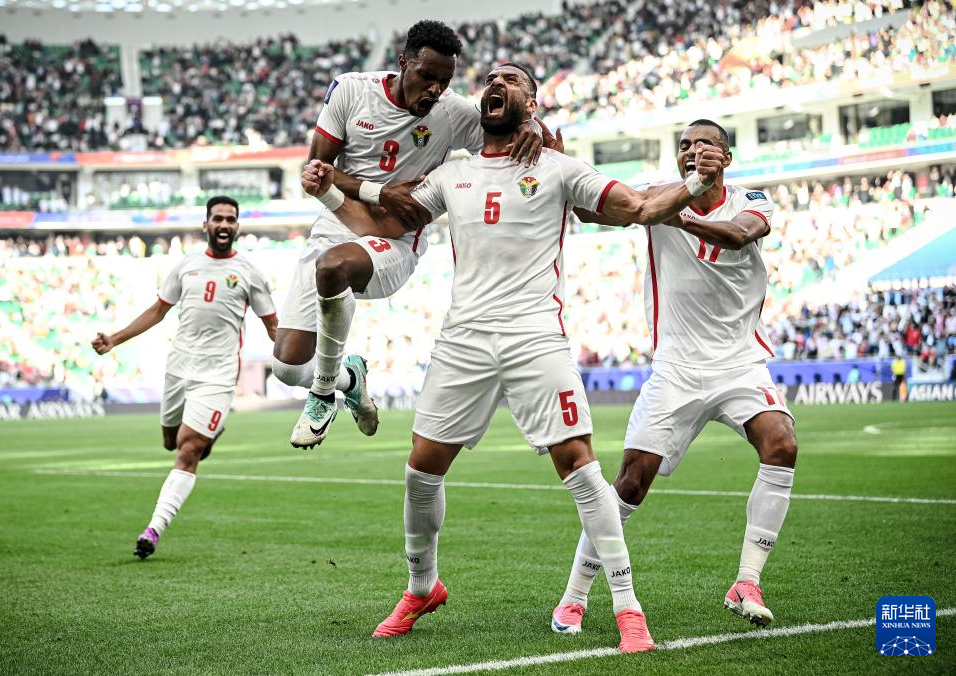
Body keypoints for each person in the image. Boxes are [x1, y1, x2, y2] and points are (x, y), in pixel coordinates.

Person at [301, 63, 725, 652]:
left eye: (513, 80)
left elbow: (637, 208)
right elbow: (384, 224)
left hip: (533, 336)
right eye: (491, 80)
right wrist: (329, 189)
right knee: (421, 471)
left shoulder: (558, 167)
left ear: (532, 102)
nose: (496, 84)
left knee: (580, 465)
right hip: (464, 338)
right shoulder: (453, 172)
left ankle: (628, 606)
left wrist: (699, 185)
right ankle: (422, 587)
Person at [553, 120, 799, 633]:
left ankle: (747, 581)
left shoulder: (752, 200)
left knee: (782, 443)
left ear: (725, 157)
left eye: (704, 143)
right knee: (630, 482)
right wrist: (564, 168)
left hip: (739, 363)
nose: (692, 150)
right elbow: (588, 210)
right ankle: (574, 597)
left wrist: (674, 213)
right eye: (684, 145)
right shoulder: (655, 196)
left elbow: (739, 236)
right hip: (676, 369)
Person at [274, 20, 543, 449]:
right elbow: (318, 170)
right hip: (336, 222)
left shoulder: (451, 113)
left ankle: (322, 395)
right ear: (403, 62)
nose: (435, 89)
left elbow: (508, 132)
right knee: (287, 367)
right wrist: (377, 191)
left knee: (336, 266)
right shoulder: (351, 91)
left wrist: (532, 127)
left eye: (444, 81)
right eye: (427, 76)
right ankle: (349, 379)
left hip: (397, 240)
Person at [92, 196, 277, 559]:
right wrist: (115, 338)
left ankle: (153, 530)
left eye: (231, 220)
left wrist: (304, 358)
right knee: (170, 442)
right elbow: (158, 310)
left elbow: (272, 325)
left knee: (187, 450)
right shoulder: (186, 266)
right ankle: (211, 432)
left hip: (218, 374)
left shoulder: (250, 272)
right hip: (179, 367)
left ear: (237, 227)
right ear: (206, 225)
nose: (224, 225)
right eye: (218, 219)